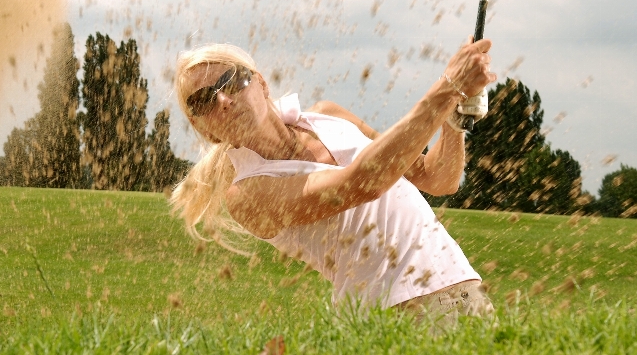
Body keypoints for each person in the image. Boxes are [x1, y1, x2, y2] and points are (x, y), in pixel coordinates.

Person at [169, 38, 497, 322]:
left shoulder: (329, 114)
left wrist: (457, 112)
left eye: (229, 82)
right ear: (205, 130)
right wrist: (448, 87)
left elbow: (437, 178)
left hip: (462, 285)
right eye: (203, 101)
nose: (223, 101)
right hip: (393, 313)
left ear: (261, 84)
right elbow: (364, 182)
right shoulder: (247, 193)